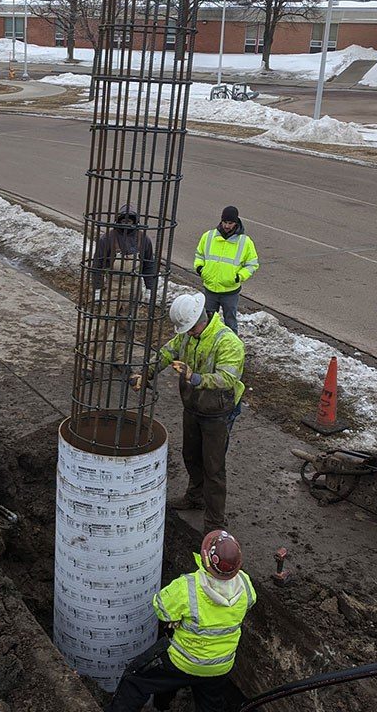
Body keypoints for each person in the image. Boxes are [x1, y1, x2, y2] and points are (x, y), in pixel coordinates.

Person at [107, 531, 256, 712]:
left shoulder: (187, 586)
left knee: (135, 680)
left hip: (183, 661)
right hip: (220, 666)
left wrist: (177, 619)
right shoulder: (246, 584)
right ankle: (165, 704)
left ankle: (158, 705)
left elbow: (161, 609)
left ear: (205, 559)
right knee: (211, 705)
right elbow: (248, 603)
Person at [131, 293, 244, 530]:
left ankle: (215, 522)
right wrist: (147, 372)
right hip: (193, 406)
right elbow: (166, 353)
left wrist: (194, 377)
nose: (187, 334)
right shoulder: (188, 337)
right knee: (191, 455)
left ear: (200, 320)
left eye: (190, 329)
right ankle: (195, 497)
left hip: (217, 412)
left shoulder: (228, 342)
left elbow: (228, 378)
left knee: (213, 467)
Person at [89, 204, 157, 373]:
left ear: (136, 221)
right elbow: (98, 265)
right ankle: (89, 361)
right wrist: (98, 289)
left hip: (133, 288)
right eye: (123, 220)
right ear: (117, 220)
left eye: (130, 220)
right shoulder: (108, 239)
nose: (127, 223)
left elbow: (148, 266)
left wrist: (149, 288)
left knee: (126, 327)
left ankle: (119, 358)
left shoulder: (143, 240)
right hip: (113, 287)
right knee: (103, 327)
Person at [194, 206, 259, 334]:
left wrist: (239, 276)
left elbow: (252, 264)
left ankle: (231, 348)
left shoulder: (245, 242)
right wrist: (200, 268)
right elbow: (199, 255)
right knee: (207, 323)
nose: (227, 226)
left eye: (230, 223)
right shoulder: (209, 236)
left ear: (236, 222)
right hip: (210, 288)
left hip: (230, 291)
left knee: (230, 323)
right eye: (225, 222)